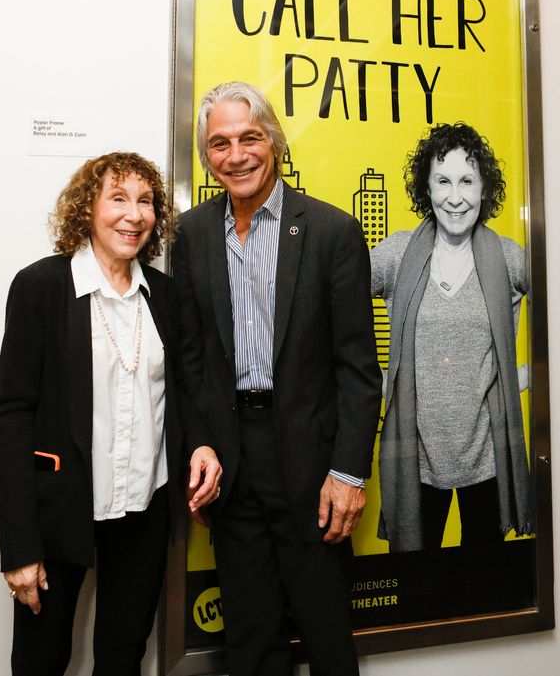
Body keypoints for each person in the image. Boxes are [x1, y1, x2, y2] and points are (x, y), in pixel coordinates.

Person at [172, 81, 382, 676]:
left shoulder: (331, 232)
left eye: (249, 138)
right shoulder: (190, 236)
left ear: (276, 143)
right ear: (206, 156)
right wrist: (201, 445)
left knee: (326, 636)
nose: (235, 155)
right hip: (231, 465)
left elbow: (358, 368)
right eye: (219, 143)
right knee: (251, 639)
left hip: (313, 465)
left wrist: (347, 472)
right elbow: (190, 360)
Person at [0, 151, 221, 676]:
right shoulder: (42, 288)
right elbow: (10, 416)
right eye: (117, 198)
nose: (133, 215)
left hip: (144, 509)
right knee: (42, 659)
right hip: (60, 509)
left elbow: (184, 388)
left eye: (145, 202)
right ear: (86, 210)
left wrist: (202, 444)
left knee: (123, 656)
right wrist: (19, 544)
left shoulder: (164, 294)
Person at [371, 122, 532, 552]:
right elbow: (332, 299)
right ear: (426, 188)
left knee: (483, 591)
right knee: (416, 593)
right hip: (415, 459)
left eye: (467, 181)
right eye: (443, 181)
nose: (455, 197)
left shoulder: (508, 258)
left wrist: (526, 375)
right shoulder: (397, 253)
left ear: (484, 189)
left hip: (487, 459)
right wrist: (373, 378)